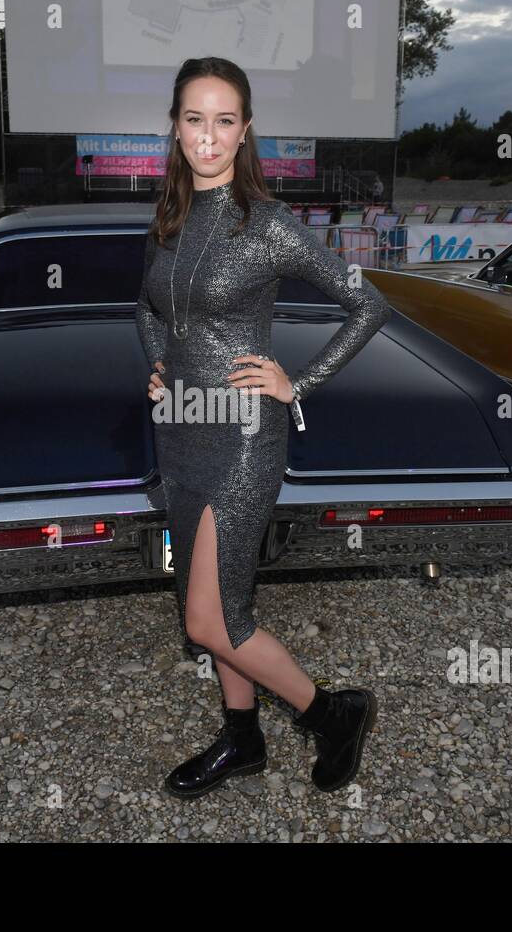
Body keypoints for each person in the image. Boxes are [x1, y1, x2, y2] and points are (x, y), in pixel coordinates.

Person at [136, 56, 389, 799]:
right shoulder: (169, 217)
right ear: (175, 127)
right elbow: (146, 307)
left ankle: (330, 713)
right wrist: (159, 366)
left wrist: (295, 383)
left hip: (244, 438)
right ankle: (242, 740)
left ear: (245, 132)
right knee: (213, 605)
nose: (207, 136)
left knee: (213, 621)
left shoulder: (270, 226)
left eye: (224, 121)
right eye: (193, 118)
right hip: (180, 430)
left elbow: (369, 306)